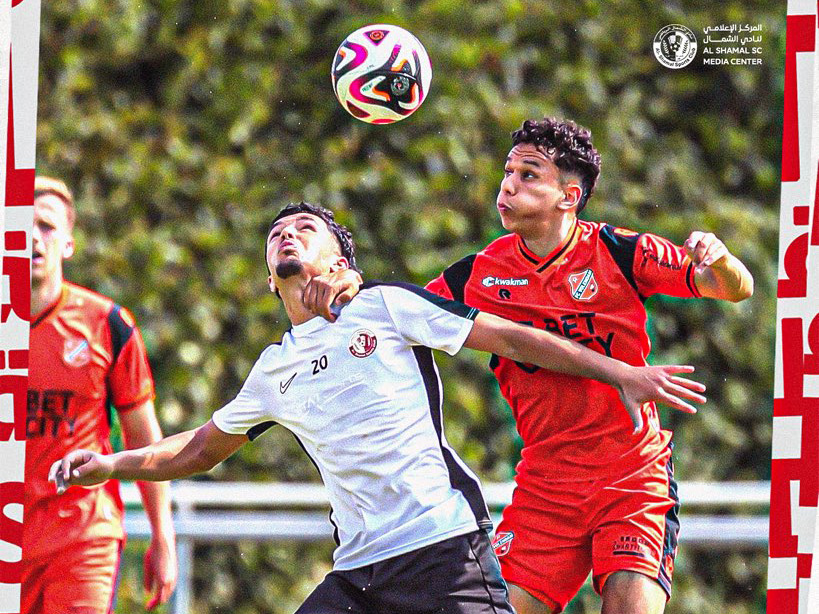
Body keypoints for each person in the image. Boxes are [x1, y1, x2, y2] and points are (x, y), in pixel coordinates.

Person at [49, 202, 706, 614]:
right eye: (278, 231)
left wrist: (620, 371)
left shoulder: (385, 304)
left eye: (305, 228)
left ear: (339, 260)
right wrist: (113, 465)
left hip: (442, 553)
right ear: (265, 274)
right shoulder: (274, 368)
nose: (288, 234)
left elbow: (510, 337)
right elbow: (194, 449)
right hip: (360, 573)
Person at [302, 118, 754, 614]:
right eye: (508, 171)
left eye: (529, 174)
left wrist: (723, 259)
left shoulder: (619, 251)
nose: (509, 184)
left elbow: (733, 287)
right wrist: (349, 287)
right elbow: (394, 318)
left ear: (569, 196)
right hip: (545, 489)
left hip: (631, 477)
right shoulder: (478, 274)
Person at [25, 177, 178, 613]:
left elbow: (144, 437)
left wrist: (163, 536)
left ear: (68, 243)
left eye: (47, 226)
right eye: (19, 225)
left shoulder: (106, 324)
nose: (33, 236)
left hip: (81, 539)